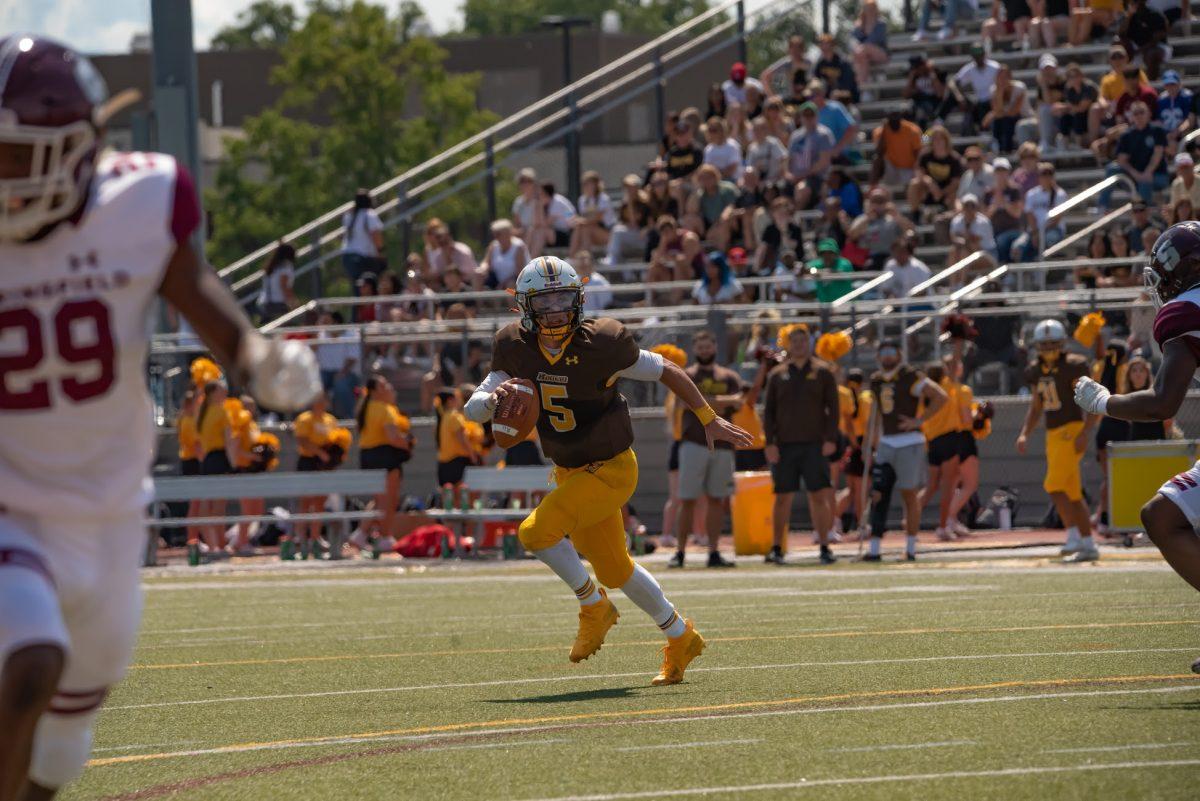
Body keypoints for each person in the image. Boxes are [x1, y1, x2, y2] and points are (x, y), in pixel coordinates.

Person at [0, 35, 323, 801]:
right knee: (28, 662)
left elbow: (203, 302)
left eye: (19, 154)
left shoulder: (140, 201)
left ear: (78, 150)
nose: (5, 174)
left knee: (63, 744)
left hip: (110, 509)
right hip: (10, 499)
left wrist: (258, 361)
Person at [464, 257, 752, 684]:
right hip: (569, 471)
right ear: (526, 306)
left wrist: (708, 417)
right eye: (546, 300)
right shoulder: (514, 346)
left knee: (534, 533)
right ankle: (680, 636)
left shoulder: (603, 342)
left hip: (612, 469)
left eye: (564, 297)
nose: (557, 309)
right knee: (616, 569)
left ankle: (592, 605)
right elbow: (473, 408)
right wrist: (492, 401)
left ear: (579, 299)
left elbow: (668, 369)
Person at [1074, 222, 1200, 673]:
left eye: (1166, 272)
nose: (1162, 283)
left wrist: (1105, 402)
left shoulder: (1185, 311)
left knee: (1161, 517)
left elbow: (1163, 403)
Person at [1017, 320, 1099, 562]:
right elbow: (1036, 407)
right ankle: (1088, 544)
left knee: (1053, 485)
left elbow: (1093, 400)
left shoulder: (1075, 365)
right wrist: (1024, 433)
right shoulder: (1034, 370)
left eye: (1053, 343)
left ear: (1063, 344)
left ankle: (1073, 535)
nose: (1049, 348)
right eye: (1044, 344)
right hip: (1052, 433)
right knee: (1072, 493)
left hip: (1070, 429)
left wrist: (1085, 431)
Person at [865, 340, 949, 561]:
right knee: (878, 493)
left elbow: (940, 396)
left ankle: (911, 547)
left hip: (909, 442)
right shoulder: (875, 380)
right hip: (887, 442)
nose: (888, 357)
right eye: (884, 352)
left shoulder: (911, 375)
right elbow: (875, 414)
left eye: (892, 352)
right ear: (878, 357)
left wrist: (919, 421)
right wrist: (871, 442)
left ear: (900, 355)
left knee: (908, 494)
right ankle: (874, 548)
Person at [763, 324, 840, 565]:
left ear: (810, 344)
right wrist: (770, 442)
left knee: (819, 495)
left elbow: (833, 410)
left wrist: (830, 439)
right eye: (794, 341)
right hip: (785, 444)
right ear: (788, 344)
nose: (798, 345)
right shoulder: (777, 374)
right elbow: (769, 412)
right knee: (783, 496)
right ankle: (777, 547)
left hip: (814, 444)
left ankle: (825, 545)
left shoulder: (823, 372)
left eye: (802, 341)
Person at [668, 331, 742, 569]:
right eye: (700, 347)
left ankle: (713, 551)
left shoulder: (728, 375)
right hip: (693, 442)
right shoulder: (686, 375)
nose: (705, 350)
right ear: (694, 349)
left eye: (708, 346)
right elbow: (681, 402)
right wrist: (721, 401)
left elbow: (739, 402)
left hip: (723, 445)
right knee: (687, 499)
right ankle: (680, 552)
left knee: (717, 500)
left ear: (715, 347)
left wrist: (700, 401)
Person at [356, 374, 414, 543]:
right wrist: (408, 444)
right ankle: (384, 537)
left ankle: (360, 534)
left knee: (379, 499)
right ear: (373, 391)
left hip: (368, 456)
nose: (388, 387)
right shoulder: (384, 409)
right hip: (384, 456)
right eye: (383, 385)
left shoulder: (367, 407)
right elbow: (393, 438)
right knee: (389, 500)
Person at [918, 361, 963, 541]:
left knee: (931, 486)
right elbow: (955, 365)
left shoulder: (924, 394)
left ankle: (910, 519)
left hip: (932, 442)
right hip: (948, 439)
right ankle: (943, 526)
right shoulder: (946, 386)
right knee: (948, 486)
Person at [1099, 100, 1169, 211]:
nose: (1139, 116)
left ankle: (1143, 214)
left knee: (1145, 180)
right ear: (1131, 116)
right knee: (1111, 169)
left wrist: (1147, 172)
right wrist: (1136, 174)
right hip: (1135, 175)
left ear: (1149, 113)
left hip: (1157, 174)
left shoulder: (1157, 130)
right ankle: (1102, 207)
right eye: (1136, 113)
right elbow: (1122, 160)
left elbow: (1158, 153)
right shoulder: (1127, 135)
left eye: (1142, 112)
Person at [292, 393, 338, 560]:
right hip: (308, 462)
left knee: (320, 502)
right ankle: (300, 537)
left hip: (324, 464)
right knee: (305, 501)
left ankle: (315, 537)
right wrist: (319, 452)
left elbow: (335, 440)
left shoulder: (330, 420)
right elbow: (302, 440)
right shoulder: (304, 419)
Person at [786, 102, 836, 211]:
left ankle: (794, 219)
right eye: (805, 115)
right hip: (795, 177)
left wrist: (802, 176)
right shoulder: (795, 136)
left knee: (802, 189)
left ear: (817, 116)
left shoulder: (824, 135)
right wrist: (788, 174)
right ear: (801, 117)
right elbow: (788, 159)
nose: (808, 118)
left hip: (816, 178)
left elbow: (824, 162)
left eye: (811, 115)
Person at [907, 125, 965, 219]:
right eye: (935, 139)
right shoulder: (925, 155)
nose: (938, 142)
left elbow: (955, 183)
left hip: (947, 192)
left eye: (941, 139)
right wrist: (929, 182)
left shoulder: (954, 159)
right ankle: (915, 215)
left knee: (955, 199)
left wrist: (941, 192)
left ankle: (952, 219)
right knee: (914, 184)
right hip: (929, 190)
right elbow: (918, 173)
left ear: (946, 141)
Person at [435, 387, 480, 489]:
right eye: (457, 398)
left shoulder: (444, 416)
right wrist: (472, 455)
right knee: (459, 495)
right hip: (456, 461)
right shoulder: (455, 416)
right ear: (450, 400)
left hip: (444, 461)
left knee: (448, 496)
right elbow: (462, 439)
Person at [1022, 162, 1068, 261]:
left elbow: (1056, 220)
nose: (1046, 177)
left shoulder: (1060, 194)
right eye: (1043, 174)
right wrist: (1035, 233)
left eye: (1049, 174)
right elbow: (1029, 215)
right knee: (1018, 246)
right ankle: (1025, 273)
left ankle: (1042, 271)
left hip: (1053, 230)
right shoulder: (1031, 194)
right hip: (1034, 231)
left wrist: (1040, 233)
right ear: (1038, 177)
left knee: (1046, 240)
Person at [341, 187, 385, 292]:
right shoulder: (369, 214)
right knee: (368, 288)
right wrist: (380, 253)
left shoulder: (349, 215)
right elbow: (376, 235)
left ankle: (357, 308)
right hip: (363, 258)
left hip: (348, 256)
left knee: (358, 288)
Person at [953, 45, 1002, 136]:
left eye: (980, 56)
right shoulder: (970, 69)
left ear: (984, 55)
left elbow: (1003, 84)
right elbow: (954, 82)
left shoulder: (995, 67)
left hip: (996, 101)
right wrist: (959, 96)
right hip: (980, 103)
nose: (978, 59)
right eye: (976, 57)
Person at [983, 64, 1032, 155]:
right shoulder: (994, 90)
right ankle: (1000, 149)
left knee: (1005, 120)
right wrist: (1000, 92)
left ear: (1010, 77)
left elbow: (1014, 112)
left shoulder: (1020, 88)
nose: (1002, 80)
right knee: (998, 121)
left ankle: (1007, 149)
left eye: (1005, 77)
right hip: (1005, 119)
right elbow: (998, 113)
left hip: (1023, 117)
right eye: (1000, 77)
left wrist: (994, 114)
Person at [606, 174, 651, 266]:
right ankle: (625, 272)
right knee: (617, 232)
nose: (629, 190)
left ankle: (612, 259)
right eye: (627, 187)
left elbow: (634, 222)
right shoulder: (625, 204)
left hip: (643, 237)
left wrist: (630, 203)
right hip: (631, 234)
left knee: (617, 232)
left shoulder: (644, 202)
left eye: (631, 187)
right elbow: (623, 222)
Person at [1119, 0, 1170, 80]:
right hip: (1137, 49)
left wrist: (1139, 51)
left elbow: (1155, 41)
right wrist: (1129, 16)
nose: (1133, 3)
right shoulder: (1129, 17)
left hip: (1158, 48)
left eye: (1136, 1)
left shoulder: (1155, 15)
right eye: (1131, 2)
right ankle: (1121, 82)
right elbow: (1121, 34)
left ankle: (1151, 84)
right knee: (1118, 45)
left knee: (1151, 54)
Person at [569, 170, 616, 255]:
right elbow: (585, 219)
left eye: (589, 184)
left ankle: (581, 256)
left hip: (608, 234)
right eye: (585, 184)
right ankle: (574, 256)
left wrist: (580, 221)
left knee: (585, 227)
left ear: (596, 185)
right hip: (591, 234)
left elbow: (597, 219)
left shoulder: (603, 198)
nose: (586, 187)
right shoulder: (582, 200)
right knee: (582, 228)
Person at [872, 111, 923, 187]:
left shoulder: (912, 130)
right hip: (891, 168)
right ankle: (872, 187)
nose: (894, 122)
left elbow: (918, 153)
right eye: (891, 120)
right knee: (876, 160)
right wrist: (884, 132)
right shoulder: (880, 131)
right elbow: (879, 152)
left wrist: (917, 169)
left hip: (909, 167)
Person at [904, 56, 955, 131]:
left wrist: (931, 73)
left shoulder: (938, 73)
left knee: (923, 115)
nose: (917, 70)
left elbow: (939, 94)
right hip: (920, 104)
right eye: (915, 68)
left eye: (918, 67)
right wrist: (911, 76)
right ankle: (922, 139)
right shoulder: (915, 77)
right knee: (908, 113)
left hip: (935, 105)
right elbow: (905, 95)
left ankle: (924, 139)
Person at [851, 0, 889, 95]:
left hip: (881, 54)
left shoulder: (881, 24)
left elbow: (876, 40)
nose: (870, 10)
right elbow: (853, 40)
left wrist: (862, 46)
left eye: (872, 8)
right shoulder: (859, 24)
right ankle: (864, 90)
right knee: (863, 58)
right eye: (867, 8)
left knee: (862, 50)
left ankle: (861, 90)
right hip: (864, 55)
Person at [480, 219, 529, 290]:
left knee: (510, 287)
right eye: (495, 234)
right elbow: (486, 262)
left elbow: (519, 272)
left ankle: (513, 300)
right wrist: (483, 269)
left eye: (498, 234)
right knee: (477, 276)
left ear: (508, 234)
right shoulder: (493, 245)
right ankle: (479, 301)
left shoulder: (519, 246)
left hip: (516, 281)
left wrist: (503, 283)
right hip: (496, 281)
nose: (496, 237)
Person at [949, 195, 996, 267]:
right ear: (962, 207)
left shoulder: (983, 222)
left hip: (988, 254)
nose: (969, 209)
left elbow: (976, 245)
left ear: (977, 207)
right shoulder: (957, 220)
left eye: (972, 206)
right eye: (966, 206)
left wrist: (962, 237)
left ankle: (961, 278)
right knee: (954, 251)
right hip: (971, 254)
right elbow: (954, 238)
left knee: (964, 254)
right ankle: (955, 278)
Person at [257, 241, 297, 323]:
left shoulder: (271, 266)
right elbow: (284, 286)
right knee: (287, 329)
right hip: (278, 304)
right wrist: (294, 303)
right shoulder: (286, 266)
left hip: (264, 303)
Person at [1157, 70, 1195, 155]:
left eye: (1173, 84)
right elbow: (1159, 120)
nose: (1170, 87)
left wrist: (1177, 131)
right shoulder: (1161, 100)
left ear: (1179, 84)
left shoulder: (1187, 97)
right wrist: (1165, 134)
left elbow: (1189, 120)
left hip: (1182, 132)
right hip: (1167, 134)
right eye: (1167, 85)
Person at [812, 34, 859, 103]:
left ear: (833, 46)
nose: (824, 47)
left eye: (827, 44)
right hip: (828, 97)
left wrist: (837, 92)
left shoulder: (843, 62)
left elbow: (848, 87)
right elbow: (815, 80)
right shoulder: (820, 63)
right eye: (822, 44)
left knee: (835, 95)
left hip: (846, 97)